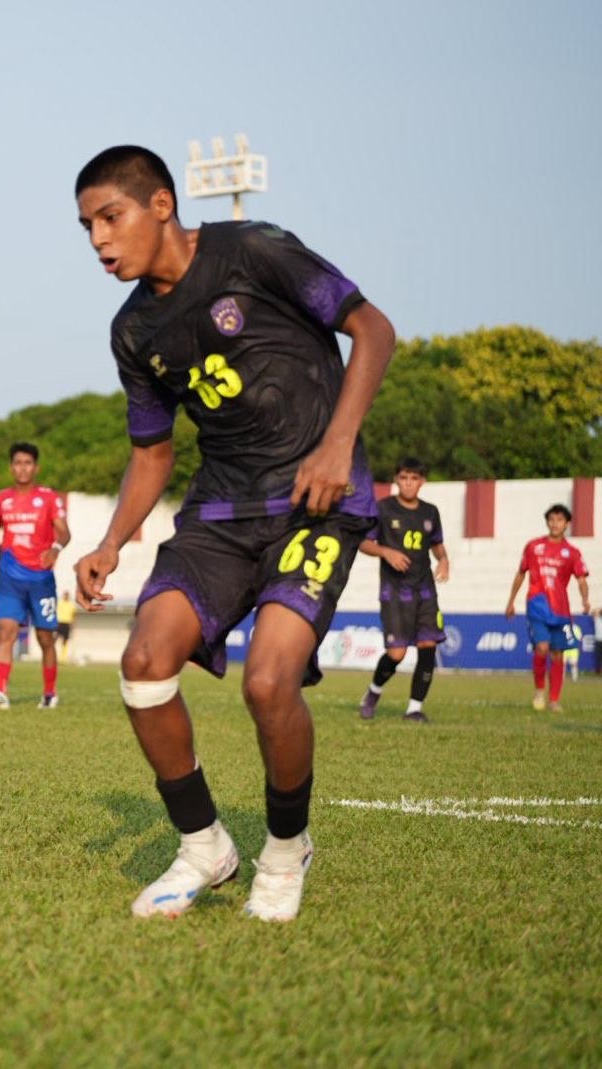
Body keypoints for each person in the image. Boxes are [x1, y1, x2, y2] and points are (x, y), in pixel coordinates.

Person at [72, 145, 395, 922]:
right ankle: (203, 845)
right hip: (219, 512)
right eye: (85, 227)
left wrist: (339, 442)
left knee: (268, 681)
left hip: (317, 503)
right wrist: (111, 541)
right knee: (144, 662)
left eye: (109, 218)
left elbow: (373, 330)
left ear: (160, 205)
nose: (98, 241)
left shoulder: (253, 250)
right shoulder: (132, 331)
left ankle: (286, 851)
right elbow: (153, 453)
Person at [0, 443, 70, 710]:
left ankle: (50, 693)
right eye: (18, 463)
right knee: (6, 631)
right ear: (11, 467)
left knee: (45, 638)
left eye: (27, 463)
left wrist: (56, 548)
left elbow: (64, 532)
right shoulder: (1, 499)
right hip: (9, 577)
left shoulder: (50, 498)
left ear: (36, 467)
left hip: (41, 579)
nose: (22, 468)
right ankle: (1, 691)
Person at [357, 458, 449, 723]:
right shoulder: (382, 509)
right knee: (397, 653)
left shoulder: (430, 512)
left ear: (422, 482)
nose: (409, 483)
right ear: (396, 480)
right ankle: (373, 691)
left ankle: (414, 709)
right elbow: (363, 543)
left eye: (414, 478)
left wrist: (443, 559)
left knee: (428, 645)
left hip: (425, 590)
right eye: (404, 478)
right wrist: (385, 551)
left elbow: (437, 544)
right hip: (395, 590)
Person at [505, 504, 592, 714]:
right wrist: (511, 601)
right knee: (542, 647)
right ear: (547, 522)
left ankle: (554, 700)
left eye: (560, 520)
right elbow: (520, 574)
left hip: (561, 610)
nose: (555, 524)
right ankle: (539, 691)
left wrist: (585, 599)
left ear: (567, 524)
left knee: (558, 654)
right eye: (552, 519)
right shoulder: (534, 546)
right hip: (537, 605)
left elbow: (581, 579)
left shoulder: (572, 553)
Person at [56, 589, 77, 659]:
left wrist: (73, 624)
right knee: (55, 639)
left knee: (65, 641)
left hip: (67, 623)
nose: (66, 596)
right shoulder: (59, 603)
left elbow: (74, 615)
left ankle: (63, 657)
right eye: (65, 595)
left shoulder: (71, 605)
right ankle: (53, 655)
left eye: (67, 595)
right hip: (59, 623)